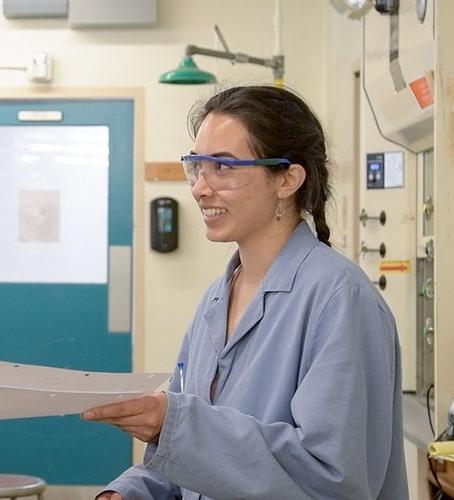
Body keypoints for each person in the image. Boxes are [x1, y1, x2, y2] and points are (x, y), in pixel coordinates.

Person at [83, 86, 408, 499]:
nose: (201, 188)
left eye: (222, 167)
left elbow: (333, 481)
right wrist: (130, 492)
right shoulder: (217, 300)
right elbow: (192, 462)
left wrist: (175, 425)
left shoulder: (340, 301)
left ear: (287, 179)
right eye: (197, 166)